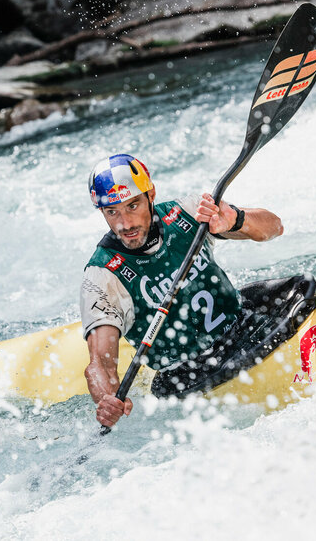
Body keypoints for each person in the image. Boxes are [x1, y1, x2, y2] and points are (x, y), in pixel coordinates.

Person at [81, 154, 284, 428]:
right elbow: (100, 364)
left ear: (150, 194)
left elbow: (274, 228)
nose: (124, 224)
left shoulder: (187, 214)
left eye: (133, 205)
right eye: (112, 212)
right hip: (190, 375)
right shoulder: (103, 275)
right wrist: (106, 398)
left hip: (247, 331)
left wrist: (234, 220)